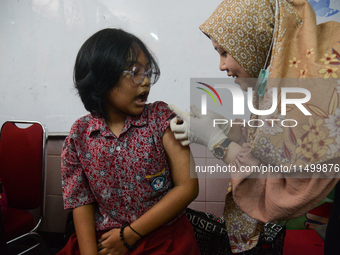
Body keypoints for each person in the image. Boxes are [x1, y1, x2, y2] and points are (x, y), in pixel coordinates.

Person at [169, 0, 340, 253]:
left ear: (253, 40)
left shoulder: (315, 84)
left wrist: (218, 143)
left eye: (225, 52)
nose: (222, 66)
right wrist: (230, 129)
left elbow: (284, 187)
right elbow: (277, 141)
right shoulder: (288, 71)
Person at [58, 28, 200, 255]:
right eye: (135, 72)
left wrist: (129, 235)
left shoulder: (162, 118)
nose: (146, 81)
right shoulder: (79, 134)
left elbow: (188, 187)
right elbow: (81, 202)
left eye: (148, 72)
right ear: (102, 77)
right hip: (106, 241)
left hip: (163, 238)